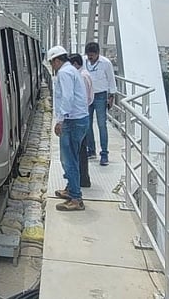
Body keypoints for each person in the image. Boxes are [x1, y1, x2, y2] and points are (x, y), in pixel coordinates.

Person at [47, 45, 89, 211]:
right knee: (73, 157)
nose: (52, 66)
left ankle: (76, 198)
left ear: (57, 60)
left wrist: (60, 120)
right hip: (80, 119)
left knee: (68, 160)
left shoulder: (64, 73)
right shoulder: (72, 70)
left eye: (52, 63)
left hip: (71, 121)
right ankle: (71, 189)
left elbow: (67, 97)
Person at [83, 42, 117, 166]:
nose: (90, 58)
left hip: (101, 96)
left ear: (97, 53)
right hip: (87, 95)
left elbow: (111, 80)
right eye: (88, 55)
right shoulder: (83, 61)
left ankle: (104, 154)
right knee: (87, 123)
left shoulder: (106, 63)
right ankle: (91, 150)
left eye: (92, 55)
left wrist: (111, 96)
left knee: (102, 125)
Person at [68, 54, 93, 187]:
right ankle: (83, 179)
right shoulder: (85, 74)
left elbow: (80, 98)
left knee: (77, 151)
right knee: (81, 150)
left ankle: (81, 180)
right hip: (83, 114)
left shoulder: (81, 77)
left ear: (76, 64)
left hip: (79, 117)